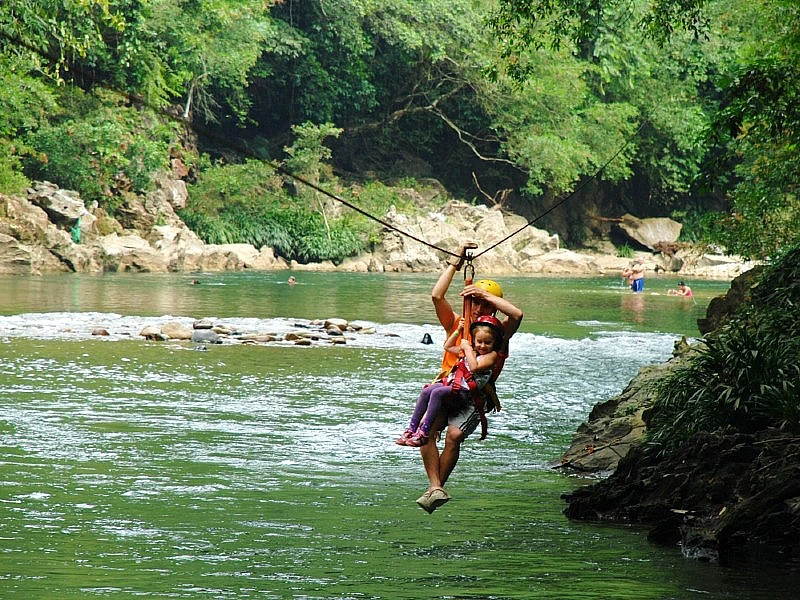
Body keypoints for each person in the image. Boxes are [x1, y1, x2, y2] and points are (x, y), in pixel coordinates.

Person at [415, 243, 523, 513]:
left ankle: (436, 488)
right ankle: (435, 487)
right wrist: (455, 263)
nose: (477, 308)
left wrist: (483, 294)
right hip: (448, 389)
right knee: (425, 434)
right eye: (474, 303)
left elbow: (517, 314)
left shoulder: (496, 335)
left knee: (453, 435)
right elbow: (436, 296)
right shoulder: (457, 324)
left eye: (483, 304)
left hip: (473, 395)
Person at [396, 316, 504, 448]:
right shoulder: (470, 351)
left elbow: (475, 367)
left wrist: (468, 349)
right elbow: (448, 346)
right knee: (427, 391)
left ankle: (424, 432)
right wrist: (458, 330)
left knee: (437, 393)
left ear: (494, 343)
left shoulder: (491, 356)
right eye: (479, 341)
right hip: (454, 386)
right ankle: (411, 429)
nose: (482, 346)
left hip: (465, 393)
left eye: (487, 342)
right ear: (474, 341)